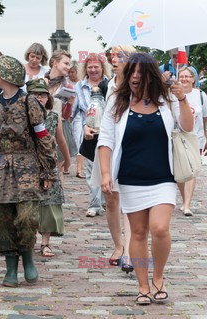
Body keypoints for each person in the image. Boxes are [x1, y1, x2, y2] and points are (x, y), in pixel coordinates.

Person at [98, 52, 193, 305]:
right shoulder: (117, 102)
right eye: (131, 73)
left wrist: (182, 99)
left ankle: (158, 277)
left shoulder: (168, 99)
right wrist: (106, 173)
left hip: (163, 176)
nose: (135, 78)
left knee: (159, 228)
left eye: (140, 73)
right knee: (138, 233)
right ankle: (142, 286)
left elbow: (187, 127)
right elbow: (105, 139)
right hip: (130, 177)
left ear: (150, 75)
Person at [0, 56, 57, 287]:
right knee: (2, 219)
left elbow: (42, 136)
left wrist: (47, 170)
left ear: (7, 75)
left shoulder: (29, 102)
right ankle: (11, 266)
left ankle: (28, 257)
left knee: (27, 218)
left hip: (27, 166)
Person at [92, 45, 136, 273]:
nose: (114, 60)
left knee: (129, 201)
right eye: (113, 56)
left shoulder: (138, 85)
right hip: (108, 148)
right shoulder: (108, 86)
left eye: (120, 56)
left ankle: (129, 250)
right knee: (111, 199)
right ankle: (118, 245)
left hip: (130, 150)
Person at [26, 79, 69, 258]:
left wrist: (67, 159)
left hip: (48, 164)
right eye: (35, 94)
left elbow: (60, 139)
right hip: (27, 165)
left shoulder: (53, 116)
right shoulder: (22, 117)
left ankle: (45, 243)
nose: (39, 98)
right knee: (28, 205)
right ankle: (27, 242)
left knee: (50, 203)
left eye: (42, 94)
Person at [73, 53, 111, 217]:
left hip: (107, 131)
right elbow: (73, 111)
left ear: (103, 68)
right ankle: (95, 204)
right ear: (85, 69)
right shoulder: (79, 87)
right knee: (90, 168)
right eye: (90, 67)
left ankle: (103, 200)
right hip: (88, 132)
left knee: (106, 167)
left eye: (96, 67)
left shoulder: (110, 85)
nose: (93, 70)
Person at [176, 66, 207, 216]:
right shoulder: (172, 94)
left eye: (187, 76)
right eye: (181, 76)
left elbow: (205, 119)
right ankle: (184, 199)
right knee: (181, 170)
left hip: (196, 138)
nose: (184, 79)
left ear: (193, 79)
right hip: (178, 137)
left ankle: (187, 204)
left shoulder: (200, 96)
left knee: (192, 170)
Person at [45, 50, 77, 177]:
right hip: (43, 127)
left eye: (69, 64)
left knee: (59, 167)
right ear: (54, 63)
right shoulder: (42, 81)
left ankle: (59, 195)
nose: (68, 67)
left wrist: (69, 103)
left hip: (61, 128)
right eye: (66, 63)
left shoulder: (67, 86)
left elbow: (67, 116)